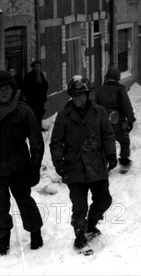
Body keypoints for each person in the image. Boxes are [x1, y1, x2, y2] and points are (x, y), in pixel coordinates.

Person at [50, 75, 116, 252]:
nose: (77, 98)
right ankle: (79, 236)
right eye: (74, 95)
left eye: (81, 94)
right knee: (79, 206)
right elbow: (56, 141)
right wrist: (58, 162)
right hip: (74, 167)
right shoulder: (64, 116)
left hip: (96, 165)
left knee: (104, 200)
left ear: (87, 94)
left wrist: (111, 154)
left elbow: (108, 135)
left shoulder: (99, 112)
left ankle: (90, 225)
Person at [0, 71, 44, 257]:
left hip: (19, 169)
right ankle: (3, 241)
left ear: (13, 90)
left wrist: (34, 168)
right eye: (0, 89)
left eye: (7, 88)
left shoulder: (24, 111)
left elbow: (36, 142)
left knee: (25, 204)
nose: (4, 92)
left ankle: (35, 233)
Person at [94, 67, 136, 171]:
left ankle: (104, 165)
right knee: (124, 140)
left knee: (104, 142)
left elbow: (95, 107)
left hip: (103, 121)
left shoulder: (99, 90)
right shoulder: (120, 90)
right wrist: (130, 120)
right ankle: (124, 161)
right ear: (118, 78)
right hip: (118, 121)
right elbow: (127, 106)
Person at [22, 60, 49, 131]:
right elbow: (25, 87)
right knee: (33, 114)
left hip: (40, 99)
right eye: (36, 66)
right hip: (32, 99)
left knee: (40, 114)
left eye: (39, 66)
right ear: (33, 67)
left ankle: (39, 127)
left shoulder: (41, 75)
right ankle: (32, 129)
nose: (37, 68)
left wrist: (42, 91)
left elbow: (46, 85)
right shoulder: (28, 76)